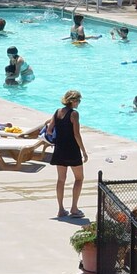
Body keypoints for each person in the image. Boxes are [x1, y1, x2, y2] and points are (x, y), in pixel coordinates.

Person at [48, 89, 88, 218]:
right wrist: (84, 151)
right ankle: (74, 208)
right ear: (73, 101)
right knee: (79, 178)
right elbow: (76, 134)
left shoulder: (57, 112)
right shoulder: (74, 114)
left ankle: (60, 209)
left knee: (61, 179)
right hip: (71, 150)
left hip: (59, 149)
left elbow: (49, 130)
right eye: (78, 100)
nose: (79, 103)